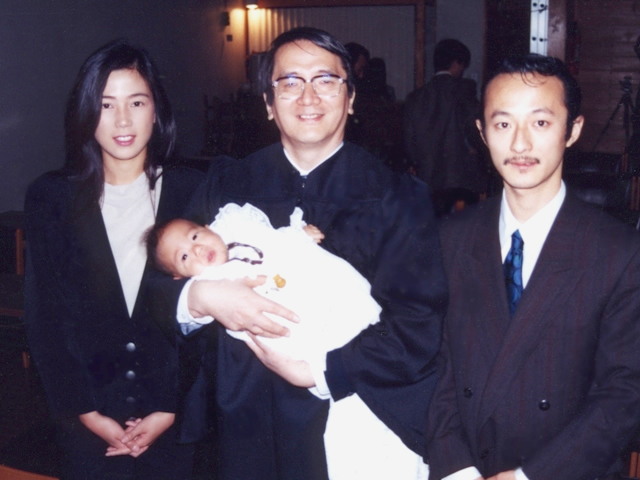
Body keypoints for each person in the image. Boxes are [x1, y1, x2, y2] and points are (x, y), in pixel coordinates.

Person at [153, 27, 446, 480]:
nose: (308, 97)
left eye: (326, 80)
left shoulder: (395, 196)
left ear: (351, 98)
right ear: (269, 104)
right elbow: (157, 283)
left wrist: (321, 371)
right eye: (289, 82)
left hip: (351, 415)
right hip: (241, 420)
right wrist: (200, 297)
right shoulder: (226, 185)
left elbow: (420, 321)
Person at [426, 53, 640, 480]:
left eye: (540, 123)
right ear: (482, 132)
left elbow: (625, 390)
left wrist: (529, 476)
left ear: (572, 130)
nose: (520, 144)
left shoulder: (620, 251)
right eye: (503, 124)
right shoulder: (448, 237)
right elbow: (434, 364)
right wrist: (457, 467)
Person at [23, 40, 202, 479]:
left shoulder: (193, 191)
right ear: (85, 113)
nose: (123, 120)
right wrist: (85, 412)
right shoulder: (51, 197)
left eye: (136, 102)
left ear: (156, 110)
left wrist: (172, 406)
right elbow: (46, 318)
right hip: (87, 419)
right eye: (105, 105)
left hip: (176, 419)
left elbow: (210, 318)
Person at [148, 202, 429, 479]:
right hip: (309, 347)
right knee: (355, 437)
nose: (197, 249)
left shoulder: (241, 230)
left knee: (389, 414)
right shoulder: (215, 279)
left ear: (208, 227)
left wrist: (298, 236)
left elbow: (276, 241)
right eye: (184, 257)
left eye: (195, 236)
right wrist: (204, 295)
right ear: (179, 277)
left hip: (349, 313)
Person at [404, 39, 487, 216]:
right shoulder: (464, 91)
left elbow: (409, 140)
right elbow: (475, 130)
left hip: (427, 177)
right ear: (456, 63)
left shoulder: (415, 97)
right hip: (461, 178)